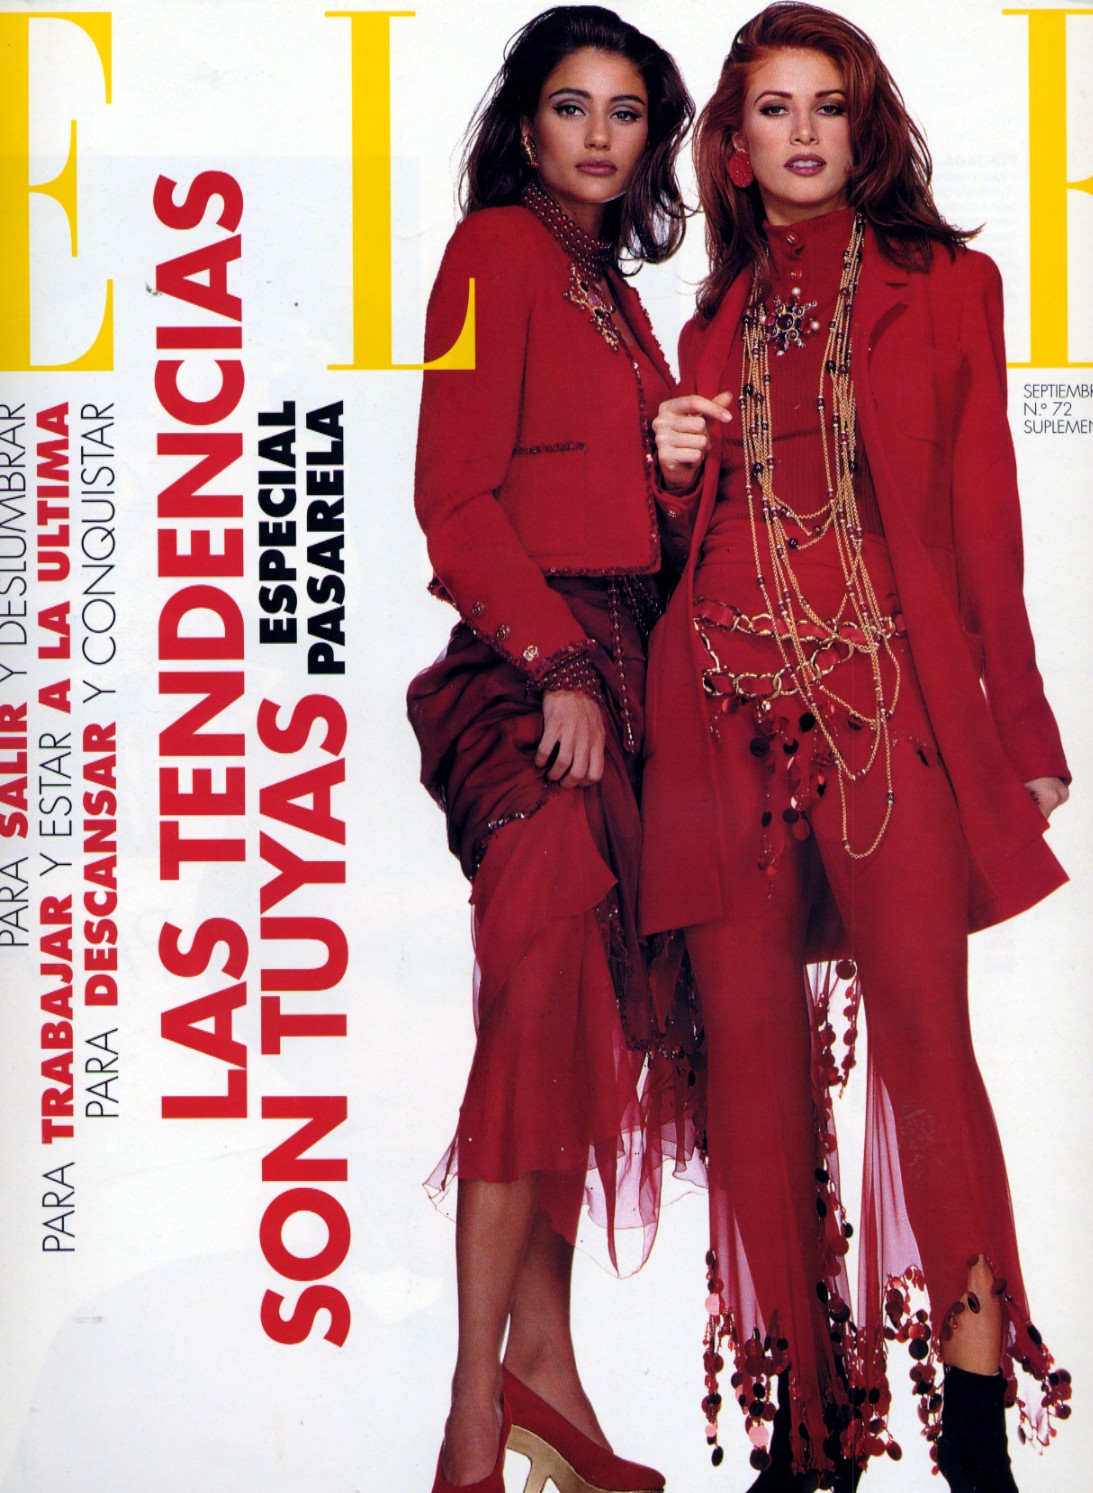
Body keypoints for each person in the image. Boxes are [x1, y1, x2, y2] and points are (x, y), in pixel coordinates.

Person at [640, 5, 1072, 1490]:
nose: (804, 132)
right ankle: (801, 1424)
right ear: (735, 146)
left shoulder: (948, 286)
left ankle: (971, 1423)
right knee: (754, 1065)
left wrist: (1021, 724)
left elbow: (985, 522)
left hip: (887, 710)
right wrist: (669, 470)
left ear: (863, 124)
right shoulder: (705, 324)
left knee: (928, 1047)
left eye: (827, 105)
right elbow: (683, 543)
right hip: (718, 720)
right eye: (774, 109)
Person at [407, 8, 695, 1491]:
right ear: (525, 124)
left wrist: (676, 471)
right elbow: (454, 501)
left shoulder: (619, 300)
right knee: (534, 1007)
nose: (598, 134)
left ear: (652, 140)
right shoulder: (494, 255)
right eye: (571, 105)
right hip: (529, 681)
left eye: (625, 112)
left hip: (633, 688)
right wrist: (560, 668)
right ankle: (476, 1412)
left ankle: (550, 1379)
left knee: (575, 1026)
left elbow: (629, 514)